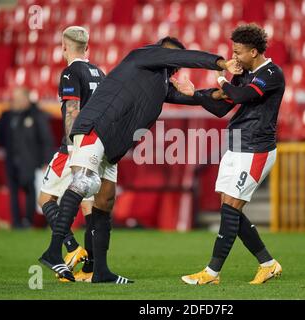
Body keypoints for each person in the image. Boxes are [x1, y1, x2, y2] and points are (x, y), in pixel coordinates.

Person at [38, 36, 242, 283]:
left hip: (112, 143)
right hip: (97, 126)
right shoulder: (143, 55)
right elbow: (181, 57)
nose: (172, 64)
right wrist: (221, 63)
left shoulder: (159, 83)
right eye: (171, 58)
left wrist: (216, 94)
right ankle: (53, 251)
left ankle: (99, 271)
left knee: (105, 200)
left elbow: (197, 100)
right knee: (82, 182)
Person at [174, 23, 285, 285]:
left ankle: (211, 273)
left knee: (231, 209)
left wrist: (223, 77)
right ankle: (268, 263)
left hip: (256, 149)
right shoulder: (245, 73)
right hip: (237, 146)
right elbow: (222, 106)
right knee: (229, 209)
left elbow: (243, 95)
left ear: (254, 52)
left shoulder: (271, 73)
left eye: (238, 53)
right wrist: (195, 94)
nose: (234, 58)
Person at [38, 26, 105, 282]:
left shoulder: (70, 72)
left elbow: (72, 112)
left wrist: (71, 148)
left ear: (64, 47)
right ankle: (90, 269)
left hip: (74, 148)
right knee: (89, 208)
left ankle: (71, 248)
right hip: (96, 148)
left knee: (45, 198)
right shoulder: (100, 72)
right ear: (87, 47)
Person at [0, 87, 54, 229]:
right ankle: (16, 222)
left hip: (31, 161)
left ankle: (29, 221)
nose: (16, 101)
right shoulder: (8, 116)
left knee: (30, 191)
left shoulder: (36, 115)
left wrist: (46, 160)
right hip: (12, 161)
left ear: (27, 99)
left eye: (20, 98)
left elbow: (46, 139)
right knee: (14, 193)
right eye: (15, 99)